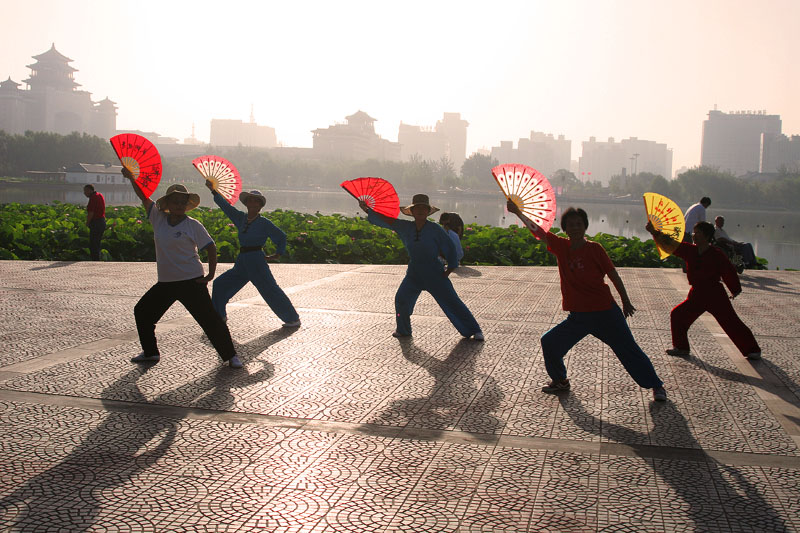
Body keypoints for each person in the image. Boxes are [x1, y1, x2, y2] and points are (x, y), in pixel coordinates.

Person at [507, 200, 667, 401]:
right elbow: (538, 231)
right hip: (579, 317)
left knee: (629, 350)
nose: (575, 228)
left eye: (579, 224)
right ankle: (560, 381)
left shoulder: (595, 249)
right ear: (565, 228)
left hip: (605, 313)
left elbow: (613, 275)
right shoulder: (560, 246)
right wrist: (518, 213)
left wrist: (625, 300)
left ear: (585, 227)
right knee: (550, 342)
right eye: (571, 224)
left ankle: (656, 385)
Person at [122, 167, 242, 368]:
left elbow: (211, 248)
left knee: (210, 321)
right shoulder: (157, 218)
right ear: (167, 204)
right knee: (142, 312)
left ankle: (231, 356)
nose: (179, 205)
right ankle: (151, 353)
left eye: (182, 202)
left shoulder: (193, 225)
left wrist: (210, 274)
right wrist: (132, 178)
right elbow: (143, 196)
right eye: (175, 201)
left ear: (187, 205)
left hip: (191, 281)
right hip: (166, 282)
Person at [358, 193, 484, 340]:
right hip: (414, 273)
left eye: (424, 208)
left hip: (435, 273)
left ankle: (474, 330)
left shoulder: (435, 229)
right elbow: (387, 221)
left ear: (428, 211)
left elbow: (450, 248)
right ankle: (403, 330)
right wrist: (368, 210)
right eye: (417, 208)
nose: (420, 211)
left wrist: (450, 269)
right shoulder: (405, 227)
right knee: (401, 300)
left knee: (452, 302)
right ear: (411, 211)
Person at [646, 220, 762, 361]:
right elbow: (671, 244)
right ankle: (681, 347)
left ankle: (752, 350)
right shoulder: (690, 250)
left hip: (715, 294)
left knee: (731, 322)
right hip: (697, 294)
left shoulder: (716, 254)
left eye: (698, 233)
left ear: (706, 236)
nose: (694, 235)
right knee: (678, 315)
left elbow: (728, 271)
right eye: (694, 232)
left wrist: (735, 289)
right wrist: (654, 232)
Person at [205, 181, 301, 328]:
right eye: (250, 200)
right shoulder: (240, 218)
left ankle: (292, 318)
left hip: (256, 260)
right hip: (242, 261)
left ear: (260, 205)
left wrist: (277, 254)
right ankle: (219, 315)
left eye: (256, 201)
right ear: (246, 203)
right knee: (220, 284)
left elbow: (281, 236)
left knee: (269, 289)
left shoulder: (264, 223)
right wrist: (214, 192)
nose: (252, 203)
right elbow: (226, 207)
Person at [83, 184, 106, 260]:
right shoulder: (99, 195)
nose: (84, 193)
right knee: (97, 243)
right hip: (102, 221)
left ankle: (95, 260)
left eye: (85, 191)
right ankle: (97, 259)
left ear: (90, 190)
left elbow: (91, 213)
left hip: (96, 222)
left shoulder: (93, 198)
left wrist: (87, 223)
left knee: (93, 244)